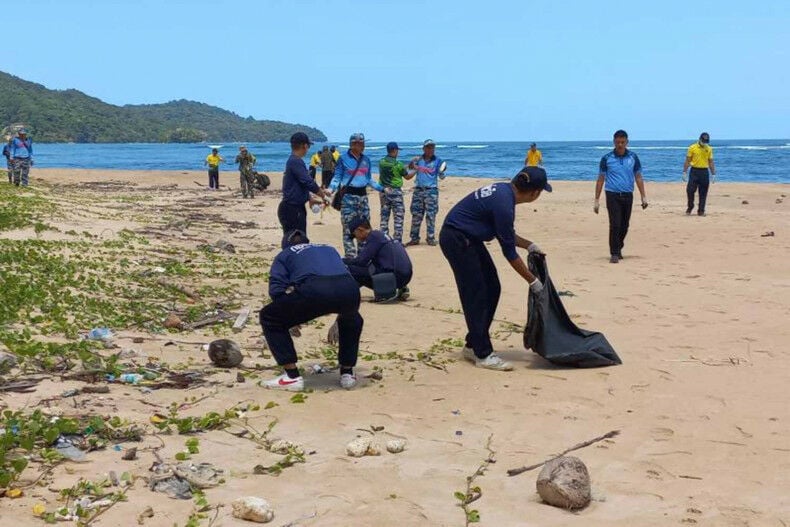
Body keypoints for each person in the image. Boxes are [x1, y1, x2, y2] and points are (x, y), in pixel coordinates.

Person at [440, 166, 551, 371]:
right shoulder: (504, 204)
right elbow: (509, 252)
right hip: (457, 239)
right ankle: (482, 354)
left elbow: (506, 234)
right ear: (535, 193)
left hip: (467, 238)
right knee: (477, 293)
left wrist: (529, 245)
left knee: (492, 287)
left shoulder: (504, 193)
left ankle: (473, 343)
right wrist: (532, 281)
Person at [259, 230, 364, 391]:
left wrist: (289, 317)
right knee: (352, 319)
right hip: (350, 290)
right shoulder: (328, 249)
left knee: (269, 317)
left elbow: (276, 290)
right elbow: (348, 272)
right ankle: (347, 373)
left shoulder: (285, 255)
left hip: (315, 289)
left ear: (285, 246)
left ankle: (291, 377)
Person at [594, 130, 648, 263]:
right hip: (612, 194)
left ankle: (618, 247)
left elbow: (639, 177)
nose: (620, 145)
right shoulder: (607, 158)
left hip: (628, 194)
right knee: (615, 224)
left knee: (625, 225)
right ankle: (614, 253)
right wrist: (596, 199)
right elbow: (601, 179)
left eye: (622, 142)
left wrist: (643, 196)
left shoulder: (633, 157)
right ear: (614, 142)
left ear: (627, 142)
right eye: (618, 142)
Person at [328, 133, 384, 257]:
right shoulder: (343, 159)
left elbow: (369, 179)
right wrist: (330, 189)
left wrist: (382, 189)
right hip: (348, 197)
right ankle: (350, 257)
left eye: (363, 143)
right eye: (360, 143)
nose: (363, 146)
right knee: (348, 229)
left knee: (364, 228)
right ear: (353, 144)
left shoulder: (366, 160)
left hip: (363, 197)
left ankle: (363, 256)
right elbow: (337, 177)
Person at [342, 217, 413, 301]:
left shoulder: (374, 237)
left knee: (348, 268)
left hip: (393, 277)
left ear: (360, 230)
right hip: (404, 277)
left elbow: (361, 261)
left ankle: (346, 292)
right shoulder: (381, 235)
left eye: (354, 235)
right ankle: (400, 288)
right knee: (368, 268)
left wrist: (341, 260)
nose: (356, 239)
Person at [279, 132, 327, 246]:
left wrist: (310, 198)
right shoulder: (295, 161)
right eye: (308, 146)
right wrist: (324, 196)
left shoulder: (293, 161)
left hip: (293, 208)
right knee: (297, 242)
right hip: (292, 209)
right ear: (304, 146)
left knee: (296, 241)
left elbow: (300, 184)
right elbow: (308, 182)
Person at [405, 139, 445, 247]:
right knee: (416, 215)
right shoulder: (418, 159)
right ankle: (414, 238)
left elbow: (442, 176)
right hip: (418, 190)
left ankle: (430, 238)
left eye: (432, 147)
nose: (430, 149)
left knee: (431, 215)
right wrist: (411, 164)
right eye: (428, 147)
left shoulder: (438, 161)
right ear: (423, 148)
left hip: (431, 191)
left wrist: (442, 172)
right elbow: (408, 170)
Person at [378, 142, 412, 242]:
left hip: (384, 191)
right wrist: (415, 170)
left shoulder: (381, 162)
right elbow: (407, 176)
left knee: (384, 217)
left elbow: (397, 169)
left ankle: (384, 240)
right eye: (397, 150)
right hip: (395, 192)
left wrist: (407, 166)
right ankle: (397, 241)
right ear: (394, 150)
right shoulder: (398, 164)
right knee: (398, 217)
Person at [682, 132, 716, 216]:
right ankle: (690, 206)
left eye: (706, 142)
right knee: (690, 190)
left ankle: (701, 211)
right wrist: (684, 172)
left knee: (703, 192)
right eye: (703, 141)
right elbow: (687, 160)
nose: (704, 143)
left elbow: (711, 162)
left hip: (704, 172)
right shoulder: (692, 147)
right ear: (700, 139)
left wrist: (713, 174)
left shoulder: (709, 149)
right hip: (694, 171)